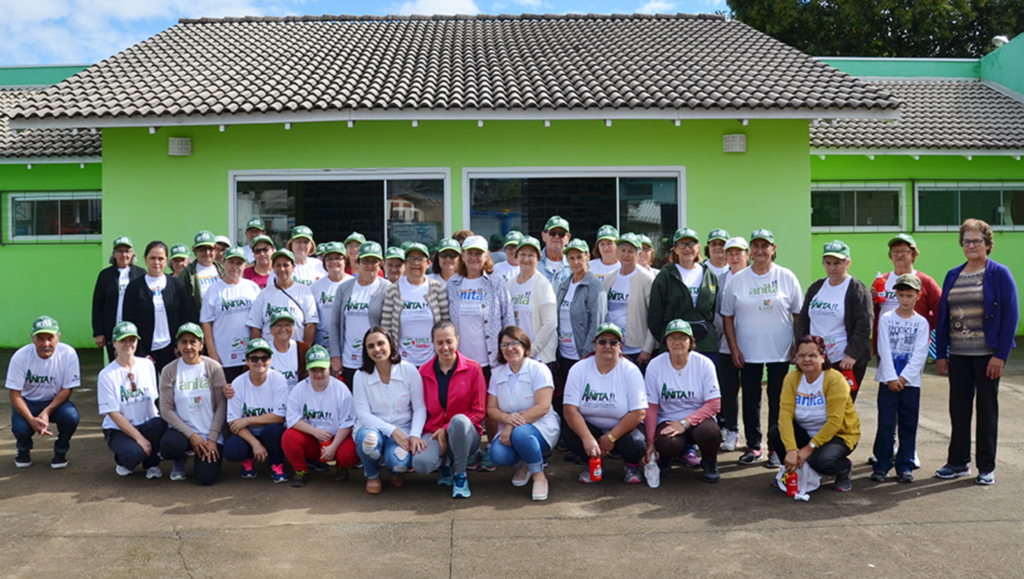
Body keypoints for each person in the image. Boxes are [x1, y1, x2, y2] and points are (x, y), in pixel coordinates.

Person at [934, 219, 1018, 485]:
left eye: (976, 241)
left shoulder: (999, 273)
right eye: (966, 241)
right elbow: (943, 317)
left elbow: (1010, 317)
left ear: (988, 244)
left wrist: (1000, 355)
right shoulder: (952, 274)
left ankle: (986, 466)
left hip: (987, 355)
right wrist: (941, 353)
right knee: (958, 410)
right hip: (958, 354)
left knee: (986, 409)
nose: (971, 245)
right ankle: (958, 462)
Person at [720, 229, 803, 468]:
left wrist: (797, 346)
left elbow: (798, 314)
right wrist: (734, 348)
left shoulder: (786, 276)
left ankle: (776, 448)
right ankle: (754, 446)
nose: (759, 250)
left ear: (773, 249)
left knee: (778, 400)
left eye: (764, 246)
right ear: (750, 250)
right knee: (751, 399)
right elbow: (727, 316)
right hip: (748, 351)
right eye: (755, 246)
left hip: (780, 350)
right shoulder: (738, 279)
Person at [446, 234, 514, 470]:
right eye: (469, 253)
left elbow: (508, 318)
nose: (474, 257)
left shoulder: (496, 282)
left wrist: (509, 349)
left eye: (479, 253)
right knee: (465, 406)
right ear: (463, 256)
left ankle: (491, 448)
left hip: (491, 358)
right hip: (462, 360)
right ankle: (471, 450)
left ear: (486, 256)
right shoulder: (453, 284)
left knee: (491, 408)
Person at [768, 335, 860, 493]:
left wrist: (807, 449)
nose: (806, 360)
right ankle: (792, 469)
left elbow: (835, 422)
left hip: (837, 435)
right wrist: (791, 449)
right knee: (775, 432)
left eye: (812, 355)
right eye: (802, 355)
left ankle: (844, 468)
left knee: (823, 462)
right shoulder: (791, 379)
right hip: (806, 433)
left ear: (823, 357)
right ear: (796, 358)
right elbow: (784, 418)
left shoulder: (835, 380)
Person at [563, 322, 648, 484]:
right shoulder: (578, 369)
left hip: (622, 429)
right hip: (591, 427)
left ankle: (631, 465)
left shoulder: (631, 370)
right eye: (602, 341)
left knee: (636, 443)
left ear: (621, 347)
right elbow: (570, 409)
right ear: (594, 345)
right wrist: (588, 438)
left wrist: (610, 437)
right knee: (570, 433)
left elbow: (639, 413)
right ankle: (593, 464)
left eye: (613, 342)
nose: (607, 346)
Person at [412, 321, 487, 498]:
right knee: (421, 464)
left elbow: (480, 412)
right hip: (432, 431)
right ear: (433, 343)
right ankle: (444, 463)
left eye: (449, 341)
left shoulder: (473, 369)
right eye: (439, 343)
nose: (445, 347)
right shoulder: (423, 372)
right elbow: (419, 408)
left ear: (457, 340)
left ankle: (460, 474)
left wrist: (446, 429)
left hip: (465, 433)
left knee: (459, 421)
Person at [644, 320, 722, 483]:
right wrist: (651, 443)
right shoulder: (655, 365)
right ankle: (666, 457)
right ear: (665, 342)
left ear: (690, 342)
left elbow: (714, 404)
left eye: (682, 337)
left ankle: (709, 461)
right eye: (672, 338)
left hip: (698, 420)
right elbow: (651, 407)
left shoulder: (703, 364)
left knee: (711, 433)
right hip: (668, 420)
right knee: (667, 442)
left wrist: (685, 423)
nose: (677, 342)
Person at [487, 326, 559, 501]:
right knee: (498, 454)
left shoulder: (539, 369)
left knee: (521, 433)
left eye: (514, 343)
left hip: (541, 426)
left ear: (525, 346)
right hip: (511, 428)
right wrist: (505, 418)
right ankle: (525, 463)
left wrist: (511, 424)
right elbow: (491, 409)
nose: (509, 348)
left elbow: (543, 406)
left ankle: (539, 476)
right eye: (504, 345)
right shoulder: (497, 373)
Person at [796, 240, 873, 402]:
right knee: (816, 405)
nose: (832, 268)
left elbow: (864, 324)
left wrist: (852, 355)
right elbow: (803, 318)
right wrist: (801, 351)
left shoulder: (857, 289)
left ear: (848, 263)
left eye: (837, 263)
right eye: (828, 263)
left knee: (840, 407)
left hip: (844, 362)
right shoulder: (817, 287)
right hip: (817, 360)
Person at [353, 327, 427, 494]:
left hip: (403, 428)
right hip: (372, 428)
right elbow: (363, 414)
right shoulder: (360, 375)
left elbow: (420, 408)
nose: (377, 349)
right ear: (366, 350)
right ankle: (372, 475)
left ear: (391, 345)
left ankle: (394, 471)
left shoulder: (408, 370)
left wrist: (414, 434)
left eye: (381, 343)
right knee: (369, 442)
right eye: (370, 346)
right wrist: (391, 431)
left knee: (400, 464)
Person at [871, 274, 930, 484]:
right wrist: (891, 377)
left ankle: (905, 465)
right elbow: (883, 348)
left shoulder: (922, 323)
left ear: (917, 296)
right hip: (888, 381)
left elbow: (920, 352)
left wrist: (904, 378)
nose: (905, 299)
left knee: (908, 424)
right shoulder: (887, 319)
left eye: (909, 295)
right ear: (895, 295)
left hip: (910, 383)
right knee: (886, 423)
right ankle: (882, 464)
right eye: (901, 295)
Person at [6, 315, 81, 469]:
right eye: (40, 338)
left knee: (71, 417)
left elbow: (67, 389)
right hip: (28, 403)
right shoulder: (20, 357)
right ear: (32, 338)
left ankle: (60, 451)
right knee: (21, 428)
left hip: (55, 402)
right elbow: (15, 394)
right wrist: (31, 419)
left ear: (58, 337)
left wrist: (47, 411)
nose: (45, 343)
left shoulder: (68, 354)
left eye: (50, 338)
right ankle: (23, 449)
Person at [158, 323, 227, 485]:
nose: (188, 346)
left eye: (193, 341)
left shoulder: (213, 368)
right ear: (178, 346)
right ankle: (179, 460)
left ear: (201, 345)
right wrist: (192, 436)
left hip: (209, 432)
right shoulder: (169, 370)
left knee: (206, 478)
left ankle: (202, 456)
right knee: (170, 445)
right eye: (183, 342)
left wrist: (212, 438)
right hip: (183, 432)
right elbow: (166, 410)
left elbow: (222, 405)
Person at [97, 321, 166, 478]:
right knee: (135, 454)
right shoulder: (106, 374)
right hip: (119, 429)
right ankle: (123, 461)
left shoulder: (147, 365)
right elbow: (113, 413)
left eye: (132, 340)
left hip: (146, 423)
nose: (128, 344)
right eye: (123, 340)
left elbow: (154, 399)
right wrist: (140, 439)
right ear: (114, 343)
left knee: (159, 424)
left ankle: (152, 465)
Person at [284, 345, 360, 487]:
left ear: (329, 368)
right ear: (308, 369)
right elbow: (292, 419)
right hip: (312, 438)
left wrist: (333, 447)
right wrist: (316, 432)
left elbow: (348, 423)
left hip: (337, 438)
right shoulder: (299, 389)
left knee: (350, 453)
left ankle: (341, 466)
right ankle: (301, 470)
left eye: (322, 369)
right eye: (314, 370)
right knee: (289, 437)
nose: (318, 374)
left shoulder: (341, 389)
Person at [554, 238, 608, 418]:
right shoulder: (564, 285)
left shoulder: (594, 286)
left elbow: (598, 322)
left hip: (582, 353)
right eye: (571, 258)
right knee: (568, 397)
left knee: (583, 398)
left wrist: (587, 352)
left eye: (579, 257)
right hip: (564, 352)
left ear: (588, 257)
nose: (575, 262)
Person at [648, 227, 720, 362]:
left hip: (706, 345)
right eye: (681, 244)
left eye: (691, 244)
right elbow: (655, 315)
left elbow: (714, 310)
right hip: (674, 346)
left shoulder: (709, 274)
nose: (687, 249)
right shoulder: (666, 275)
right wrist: (669, 338)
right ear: (675, 249)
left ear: (698, 247)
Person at [223, 338, 289, 483]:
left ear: (271, 360)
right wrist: (255, 443)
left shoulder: (278, 379)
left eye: (264, 358)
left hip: (269, 431)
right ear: (247, 361)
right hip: (248, 432)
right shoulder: (238, 383)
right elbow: (234, 422)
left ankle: (277, 464)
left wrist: (247, 420)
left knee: (273, 431)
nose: (260, 362)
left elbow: (280, 416)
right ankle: (247, 459)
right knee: (231, 450)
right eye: (254, 358)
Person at [123, 241, 194, 373]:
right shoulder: (134, 287)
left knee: (172, 390)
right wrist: (141, 352)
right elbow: (129, 321)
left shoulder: (176, 284)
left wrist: (178, 345)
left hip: (171, 349)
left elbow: (185, 317)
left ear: (166, 260)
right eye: (152, 258)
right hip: (146, 351)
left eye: (160, 258)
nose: (156, 262)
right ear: (145, 260)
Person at [329, 241, 391, 387]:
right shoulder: (344, 288)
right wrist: (335, 356)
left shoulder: (387, 288)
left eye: (374, 261)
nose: (370, 265)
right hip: (349, 359)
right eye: (366, 261)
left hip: (376, 358)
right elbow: (335, 324)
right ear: (358, 262)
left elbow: (390, 327)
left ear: (381, 264)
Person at [381, 242, 450, 367]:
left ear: (428, 263)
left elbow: (445, 324)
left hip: (432, 361)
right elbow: (386, 329)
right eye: (411, 259)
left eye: (420, 259)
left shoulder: (437, 288)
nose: (416, 263)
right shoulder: (393, 289)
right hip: (402, 361)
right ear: (405, 264)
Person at [872, 233, 942, 353]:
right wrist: (870, 300)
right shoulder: (881, 280)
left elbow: (941, 310)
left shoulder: (925, 281)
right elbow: (873, 312)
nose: (899, 255)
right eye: (894, 251)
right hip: (885, 343)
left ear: (913, 255)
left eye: (904, 251)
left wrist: (925, 325)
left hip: (913, 344)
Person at [200, 246, 260, 383]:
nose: (235, 267)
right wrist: (212, 353)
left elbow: (258, 321)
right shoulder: (214, 290)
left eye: (239, 263)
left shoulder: (252, 287)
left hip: (249, 356)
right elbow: (206, 323)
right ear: (223, 263)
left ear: (245, 264)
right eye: (231, 262)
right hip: (224, 357)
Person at [714, 236, 749, 452]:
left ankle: (753, 435)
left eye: (738, 253)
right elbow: (715, 311)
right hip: (726, 343)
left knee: (751, 392)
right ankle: (731, 430)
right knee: (728, 389)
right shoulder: (720, 280)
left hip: (753, 343)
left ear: (747, 255)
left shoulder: (754, 277)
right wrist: (728, 332)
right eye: (730, 253)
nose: (734, 257)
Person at [603, 233, 656, 367]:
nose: (626, 255)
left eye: (631, 251)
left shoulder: (646, 278)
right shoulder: (610, 277)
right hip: (613, 347)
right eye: (623, 250)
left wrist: (647, 348)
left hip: (637, 350)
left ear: (638, 254)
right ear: (617, 252)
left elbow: (654, 315)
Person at [246, 248, 318, 344]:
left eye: (286, 265)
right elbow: (255, 326)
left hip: (296, 351)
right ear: (273, 268)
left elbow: (310, 324)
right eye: (278, 265)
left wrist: (305, 351)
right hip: (270, 352)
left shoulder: (304, 291)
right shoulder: (264, 294)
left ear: (293, 267)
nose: (282, 269)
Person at [92, 235, 146, 361]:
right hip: (112, 329)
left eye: (127, 251)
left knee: (136, 362)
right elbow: (97, 304)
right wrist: (98, 332)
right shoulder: (105, 275)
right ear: (114, 254)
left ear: (132, 254)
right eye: (119, 251)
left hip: (136, 330)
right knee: (116, 362)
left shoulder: (141, 274)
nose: (124, 255)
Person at [507, 236, 557, 364]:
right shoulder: (509, 285)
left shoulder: (543, 285)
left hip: (538, 358)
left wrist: (531, 351)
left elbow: (550, 323)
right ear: (517, 257)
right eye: (522, 254)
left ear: (538, 258)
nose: (526, 259)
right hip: (515, 356)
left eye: (531, 255)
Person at [309, 241, 352, 351]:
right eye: (329, 259)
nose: (334, 262)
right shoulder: (315, 287)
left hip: (348, 343)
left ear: (346, 261)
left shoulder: (354, 283)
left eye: (338, 258)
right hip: (322, 344)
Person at [177, 230, 225, 316]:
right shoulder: (186, 274)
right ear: (195, 250)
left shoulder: (223, 269)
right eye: (202, 249)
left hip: (221, 320)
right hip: (198, 321)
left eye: (210, 249)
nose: (207, 253)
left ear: (216, 249)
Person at [267, 311, 309, 391]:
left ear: (293, 329)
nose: (283, 329)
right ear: (271, 330)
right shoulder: (264, 349)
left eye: (287, 325)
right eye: (279, 325)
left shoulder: (302, 348)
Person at [539, 215, 571, 286]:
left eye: (561, 234)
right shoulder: (533, 262)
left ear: (568, 238)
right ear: (543, 236)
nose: (557, 236)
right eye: (552, 233)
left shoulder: (574, 264)